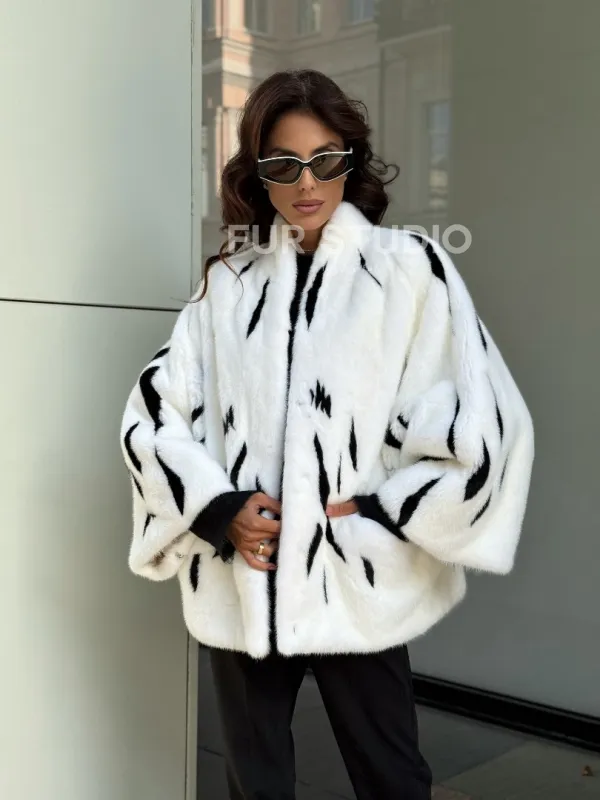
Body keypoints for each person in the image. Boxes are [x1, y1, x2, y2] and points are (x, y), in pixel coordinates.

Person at [120, 69, 534, 800]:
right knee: (256, 782)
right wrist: (220, 510)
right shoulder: (228, 286)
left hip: (354, 573)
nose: (306, 183)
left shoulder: (408, 271)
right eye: (284, 164)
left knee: (391, 778)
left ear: (351, 159)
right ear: (260, 174)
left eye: (325, 160)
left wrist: (379, 514)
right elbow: (153, 416)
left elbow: (481, 419)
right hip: (245, 574)